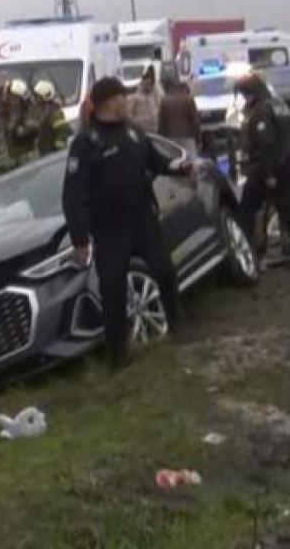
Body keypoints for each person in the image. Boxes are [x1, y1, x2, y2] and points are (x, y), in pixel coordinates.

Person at [63, 77, 193, 369]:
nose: (127, 101)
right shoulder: (86, 143)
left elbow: (156, 160)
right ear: (109, 102)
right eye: (122, 96)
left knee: (164, 270)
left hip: (142, 219)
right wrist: (80, 238)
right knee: (112, 290)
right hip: (109, 228)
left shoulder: (132, 131)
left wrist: (178, 167)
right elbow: (73, 193)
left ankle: (177, 324)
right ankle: (118, 355)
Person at [235, 72, 290, 271]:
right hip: (284, 166)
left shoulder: (261, 110)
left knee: (245, 213)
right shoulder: (279, 104)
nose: (244, 98)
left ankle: (248, 257)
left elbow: (266, 144)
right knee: (288, 213)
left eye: (244, 93)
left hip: (266, 171)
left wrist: (268, 174)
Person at [158, 78, 202, 155]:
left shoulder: (165, 100)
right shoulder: (188, 99)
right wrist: (198, 138)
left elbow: (161, 122)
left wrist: (162, 138)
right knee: (190, 162)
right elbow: (195, 121)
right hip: (187, 136)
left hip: (170, 137)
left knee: (174, 161)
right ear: (185, 89)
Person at [3, 79, 40, 168]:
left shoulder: (30, 112)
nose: (12, 101)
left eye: (15, 98)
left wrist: (17, 129)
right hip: (12, 156)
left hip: (27, 156)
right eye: (10, 97)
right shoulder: (8, 112)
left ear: (23, 99)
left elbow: (31, 129)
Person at [32, 80, 72, 156]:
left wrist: (58, 148)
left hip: (51, 151)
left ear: (45, 96)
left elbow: (62, 130)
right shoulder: (38, 110)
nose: (35, 99)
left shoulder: (55, 111)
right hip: (41, 150)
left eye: (37, 96)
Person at [128, 65, 163, 134]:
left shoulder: (156, 93)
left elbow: (160, 105)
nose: (148, 85)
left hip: (155, 128)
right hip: (142, 130)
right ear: (142, 82)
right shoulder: (136, 98)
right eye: (145, 82)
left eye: (150, 83)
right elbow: (129, 114)